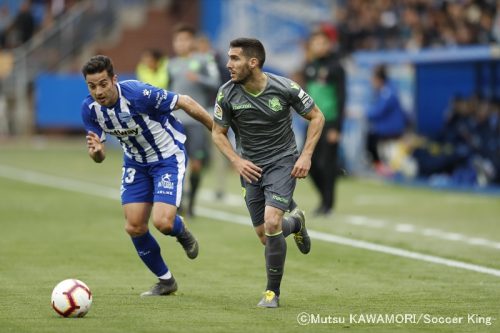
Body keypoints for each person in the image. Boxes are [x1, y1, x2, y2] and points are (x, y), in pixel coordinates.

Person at [81, 55, 213, 296]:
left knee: (162, 222)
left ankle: (180, 230)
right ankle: (166, 281)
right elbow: (98, 156)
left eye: (103, 84)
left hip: (167, 158)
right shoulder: (90, 110)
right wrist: (97, 152)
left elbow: (185, 101)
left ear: (114, 79)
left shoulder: (138, 94)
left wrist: (217, 130)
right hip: (136, 164)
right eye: (92, 86)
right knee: (134, 226)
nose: (98, 91)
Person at [212, 38, 325, 308]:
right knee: (265, 235)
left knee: (272, 221)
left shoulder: (285, 87)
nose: (229, 64)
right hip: (249, 167)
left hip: (282, 161)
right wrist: (236, 161)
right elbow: (218, 133)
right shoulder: (226, 94)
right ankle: (296, 223)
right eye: (229, 58)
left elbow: (317, 117)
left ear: (253, 62)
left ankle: (272, 294)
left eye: (235, 59)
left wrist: (306, 155)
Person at [168, 24, 220, 216]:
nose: (180, 44)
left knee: (197, 163)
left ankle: (192, 205)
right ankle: (178, 202)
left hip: (197, 121)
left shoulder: (204, 59)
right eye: (177, 40)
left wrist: (197, 77)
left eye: (184, 40)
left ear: (192, 41)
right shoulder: (171, 64)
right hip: (175, 121)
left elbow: (216, 82)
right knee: (176, 163)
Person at [303, 27, 346, 217]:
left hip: (329, 122)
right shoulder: (309, 66)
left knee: (328, 164)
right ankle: (324, 199)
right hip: (312, 121)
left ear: (328, 45)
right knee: (308, 162)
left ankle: (328, 205)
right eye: (314, 43)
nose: (317, 46)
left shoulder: (336, 67)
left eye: (321, 43)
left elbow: (342, 97)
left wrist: (337, 126)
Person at [365, 64, 408, 174]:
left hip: (392, 129)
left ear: (379, 79)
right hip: (386, 127)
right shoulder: (384, 91)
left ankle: (380, 166)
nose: (371, 82)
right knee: (370, 135)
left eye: (373, 79)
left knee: (371, 137)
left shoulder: (388, 92)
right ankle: (379, 165)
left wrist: (365, 114)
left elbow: (377, 111)